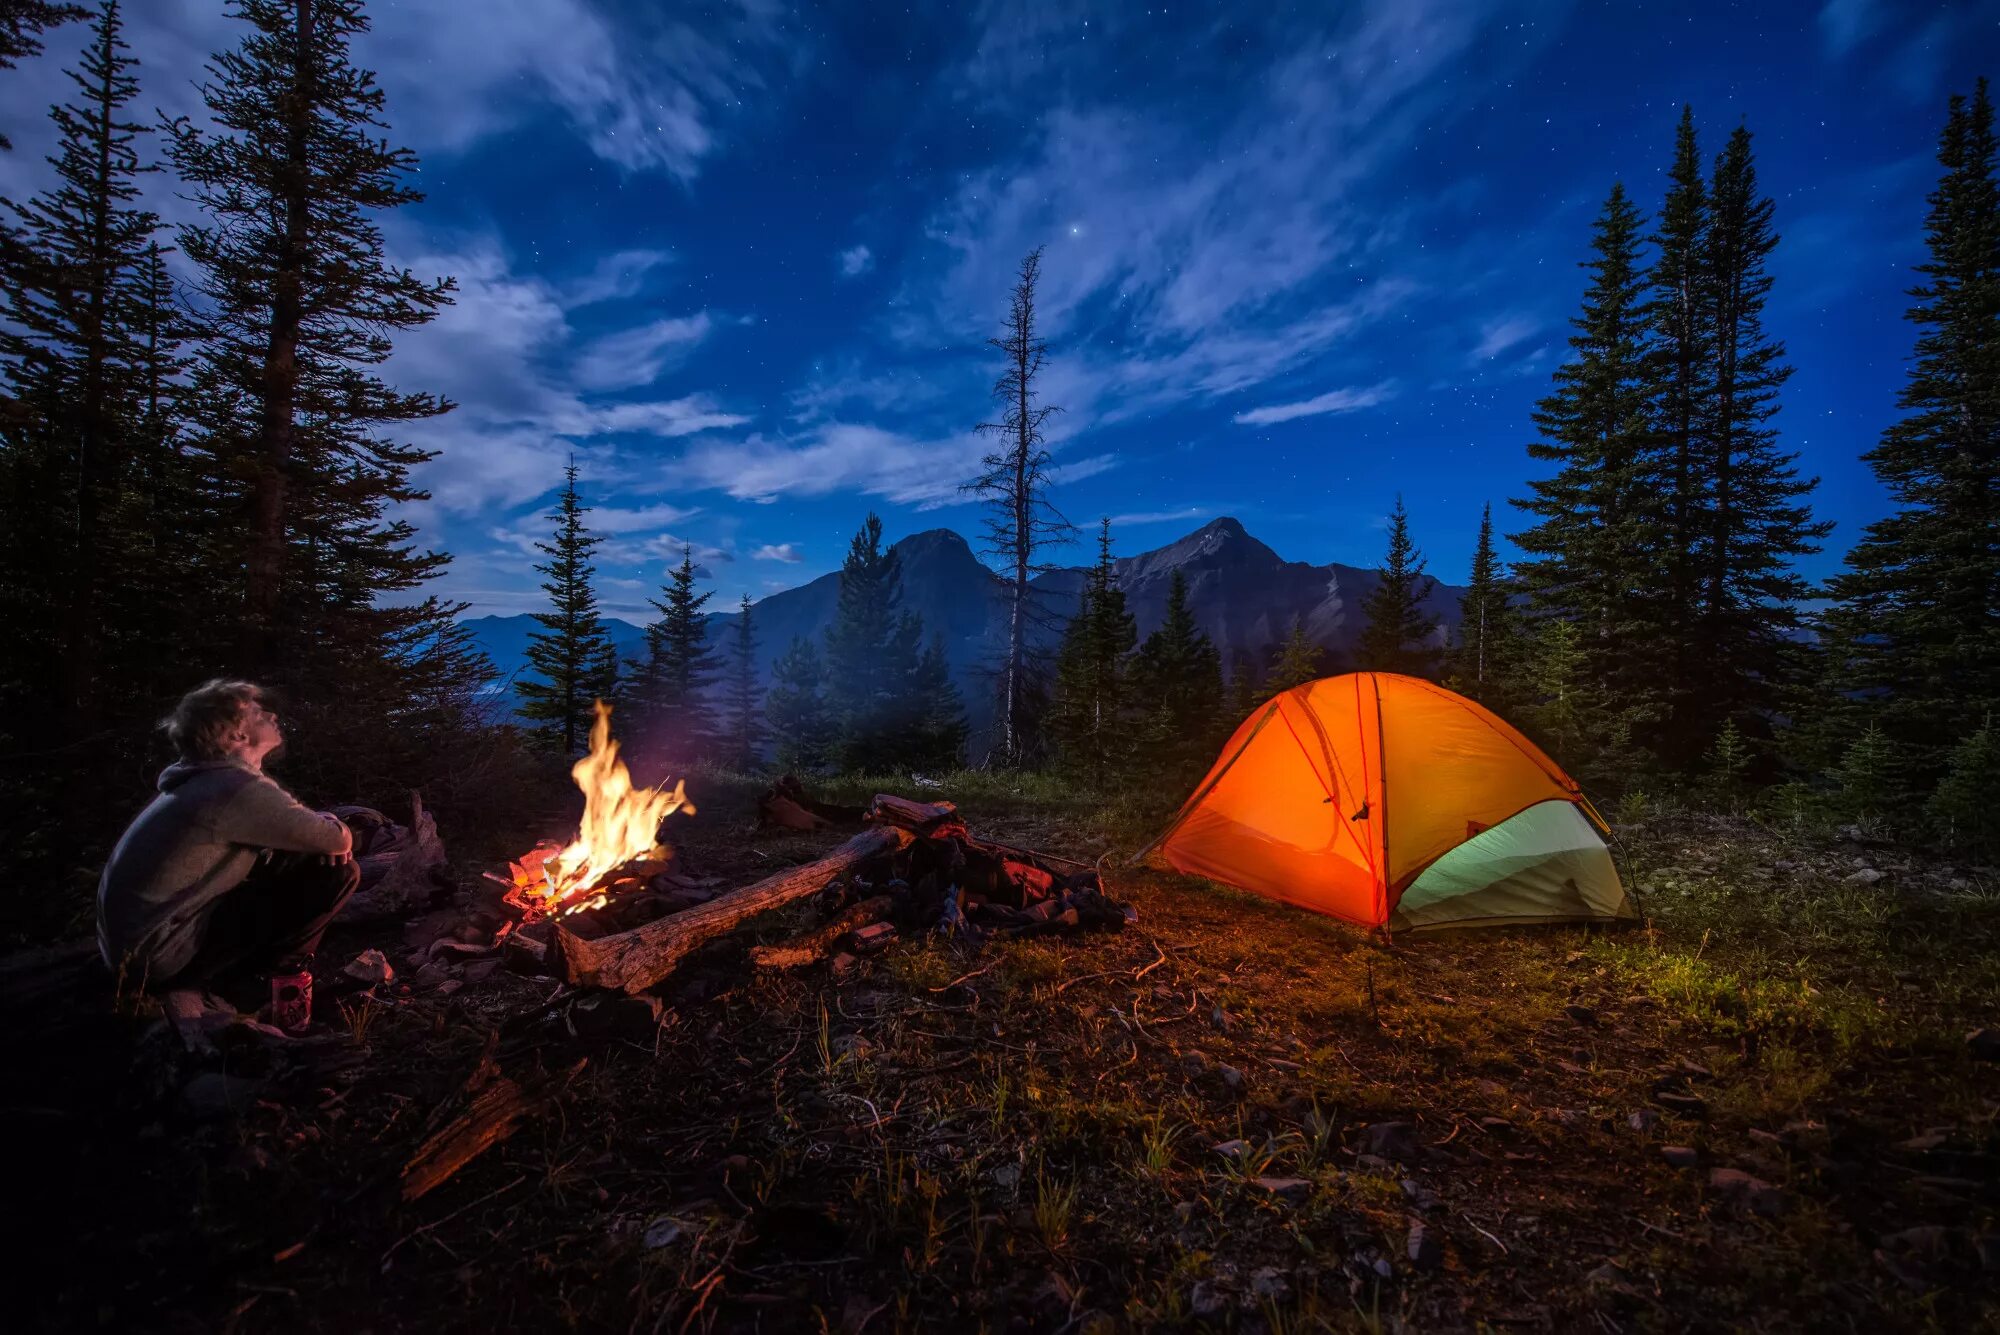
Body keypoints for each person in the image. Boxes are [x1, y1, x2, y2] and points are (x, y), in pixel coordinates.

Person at [98, 679, 359, 1023]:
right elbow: (336, 840)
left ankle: (255, 979)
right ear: (236, 736)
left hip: (138, 952)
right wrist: (333, 828)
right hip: (163, 958)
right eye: (256, 712)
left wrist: (320, 829)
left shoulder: (200, 782)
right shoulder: (235, 788)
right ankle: (278, 984)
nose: (271, 714)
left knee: (297, 858)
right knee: (337, 873)